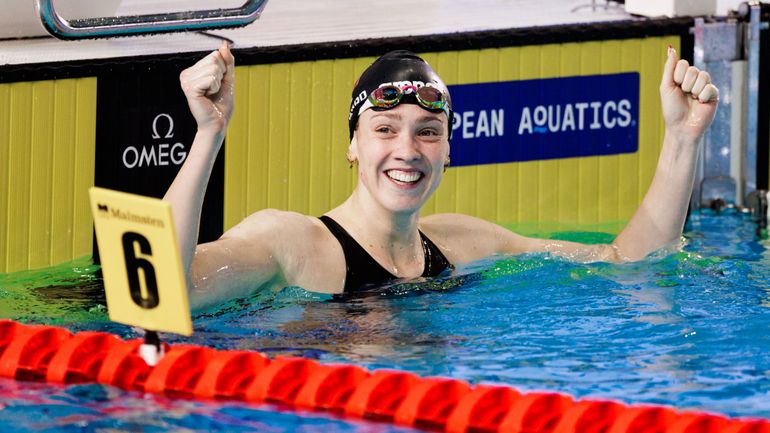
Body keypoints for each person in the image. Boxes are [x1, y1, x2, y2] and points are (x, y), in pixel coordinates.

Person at [164, 41, 719, 310]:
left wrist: (682, 137)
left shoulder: (466, 241)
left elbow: (629, 263)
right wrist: (209, 134)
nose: (407, 149)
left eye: (428, 130)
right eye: (384, 129)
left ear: (448, 149)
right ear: (352, 146)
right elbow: (160, 290)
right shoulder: (290, 242)